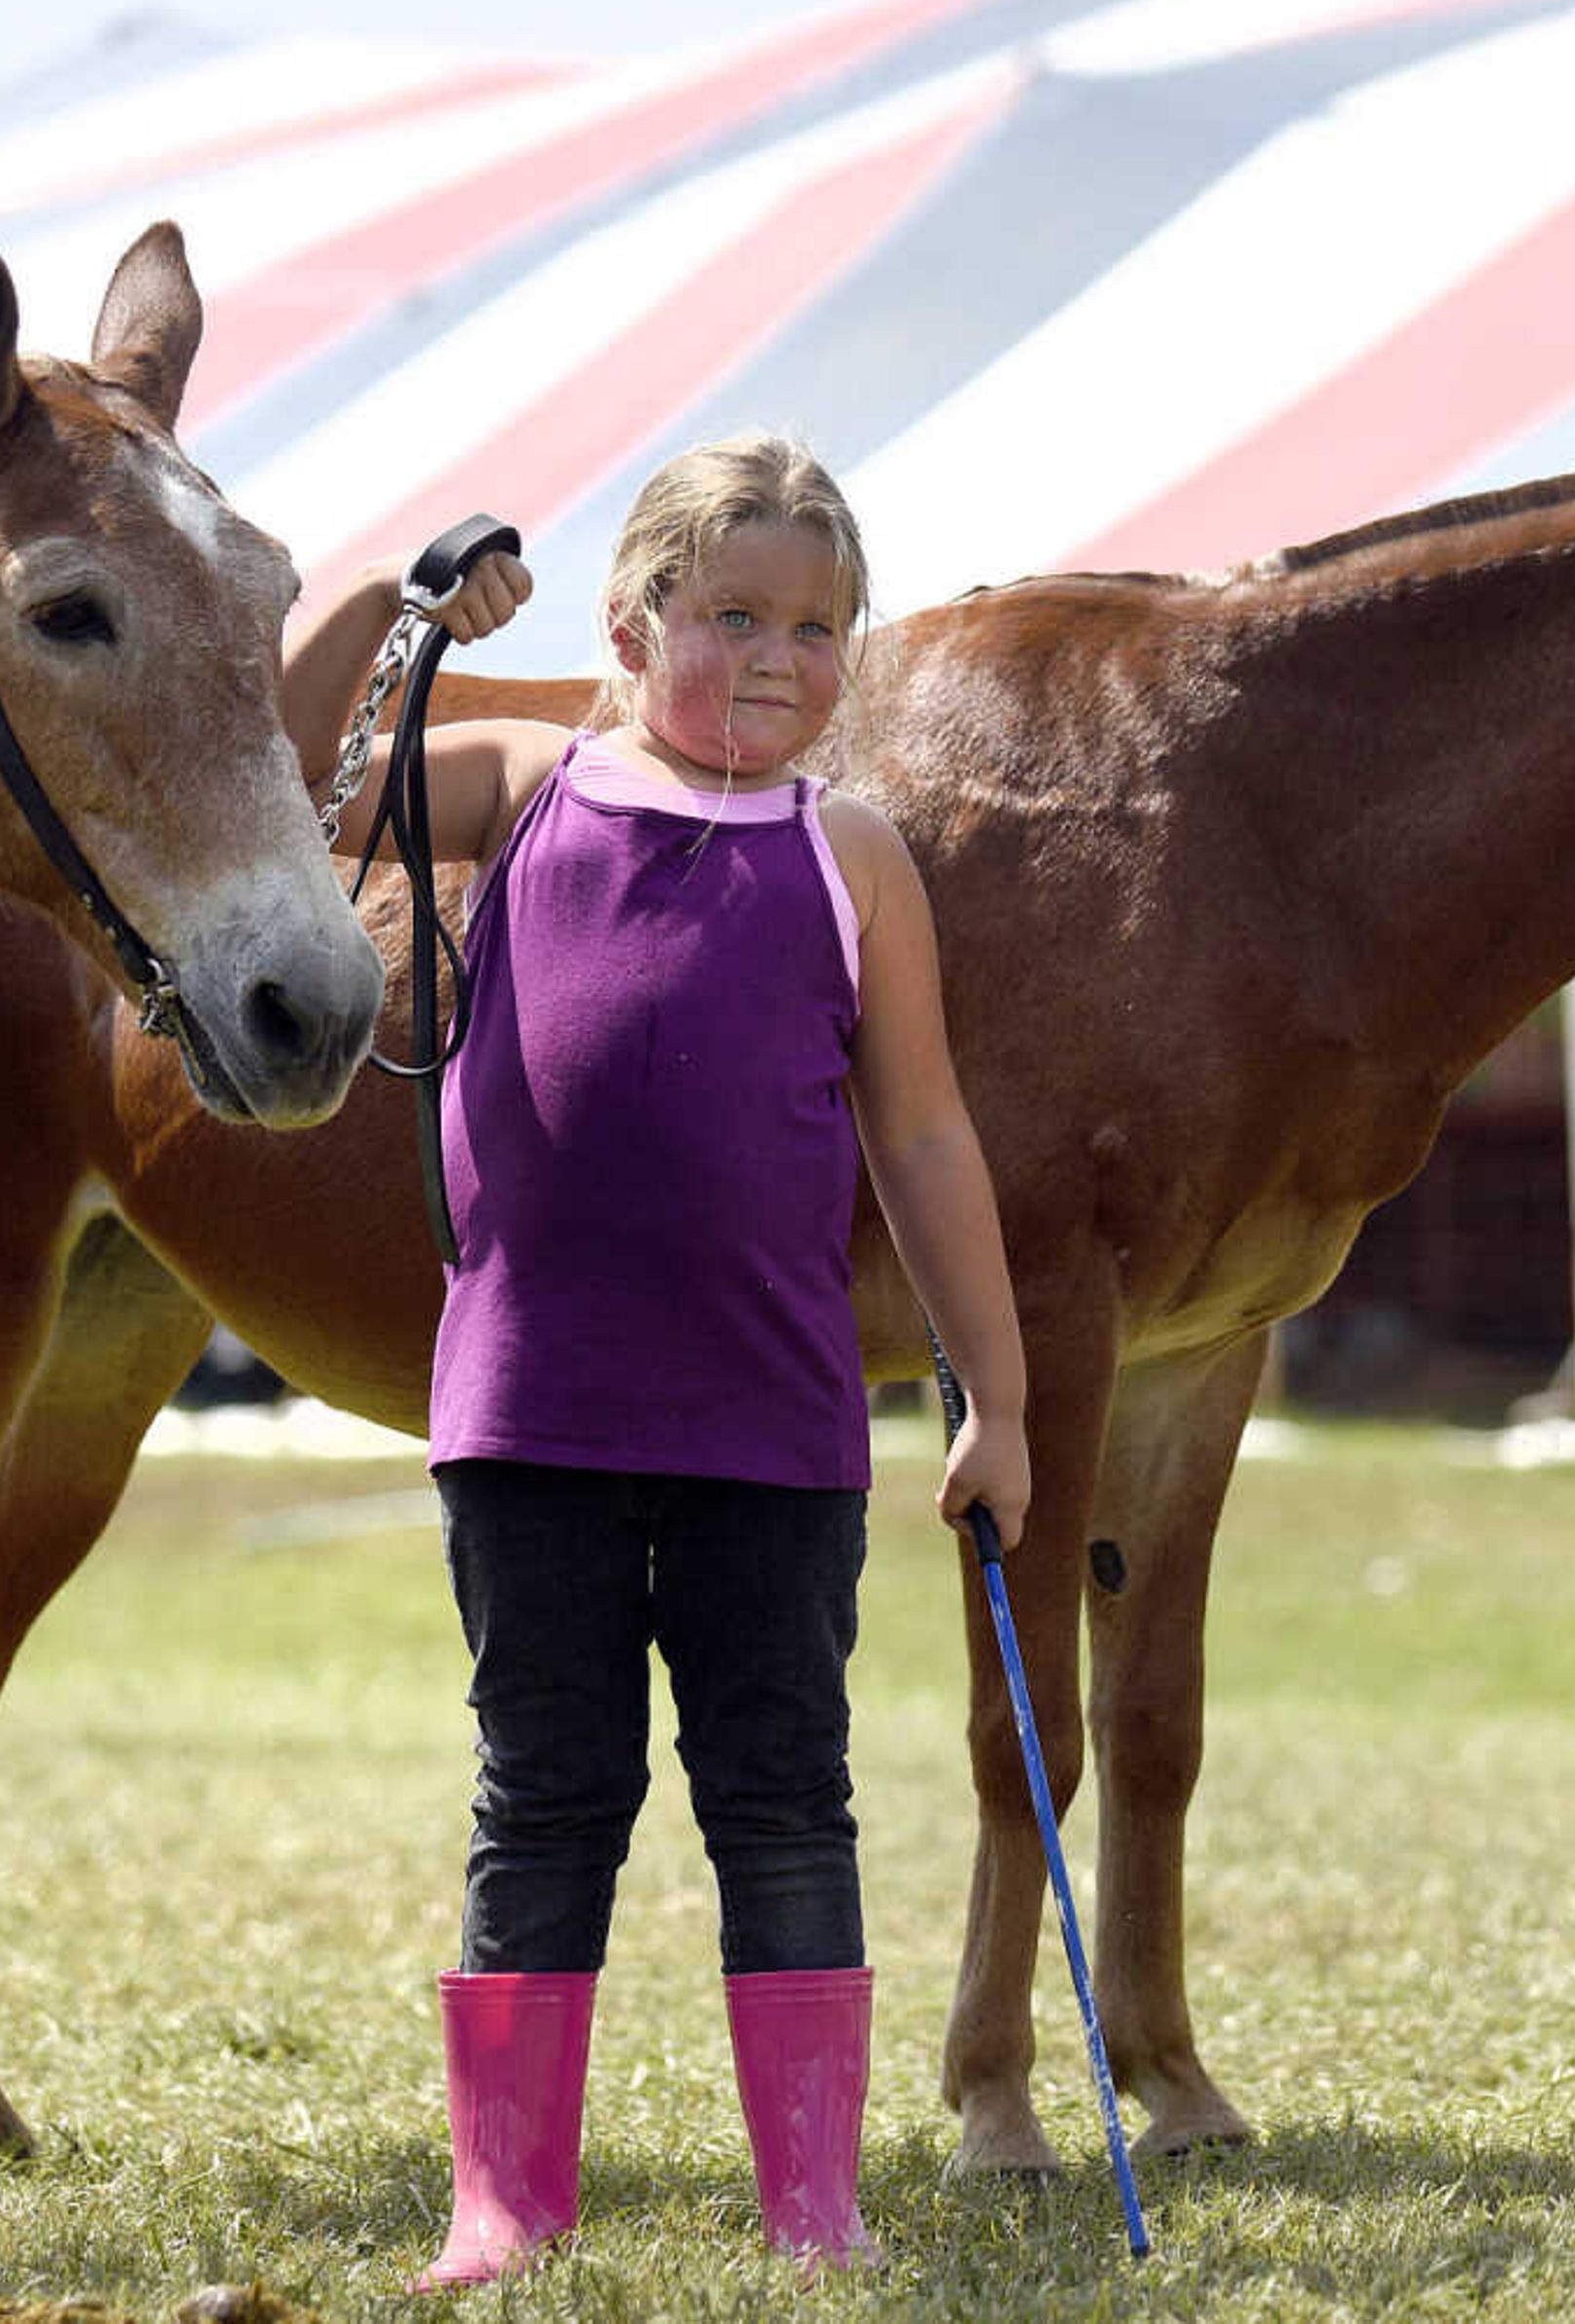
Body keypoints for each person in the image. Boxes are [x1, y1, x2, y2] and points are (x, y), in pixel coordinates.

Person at [300, 436, 1032, 2283]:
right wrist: (400, 622)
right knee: (544, 1791)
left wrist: (1000, 1399)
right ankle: (504, 2202)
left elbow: (928, 1137)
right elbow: (307, 791)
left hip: (775, 1436)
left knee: (784, 1794)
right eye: (732, 615)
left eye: (814, 624)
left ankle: (816, 2203)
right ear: (628, 624)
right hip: (529, 1416)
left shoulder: (850, 854)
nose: (777, 656)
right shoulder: (524, 785)